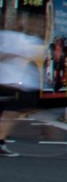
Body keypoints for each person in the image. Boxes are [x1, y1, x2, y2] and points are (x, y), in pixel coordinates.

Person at [0, 27, 42, 156]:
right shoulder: (8, 37)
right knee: (9, 115)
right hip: (8, 83)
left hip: (14, 83)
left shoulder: (26, 40)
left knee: (9, 115)